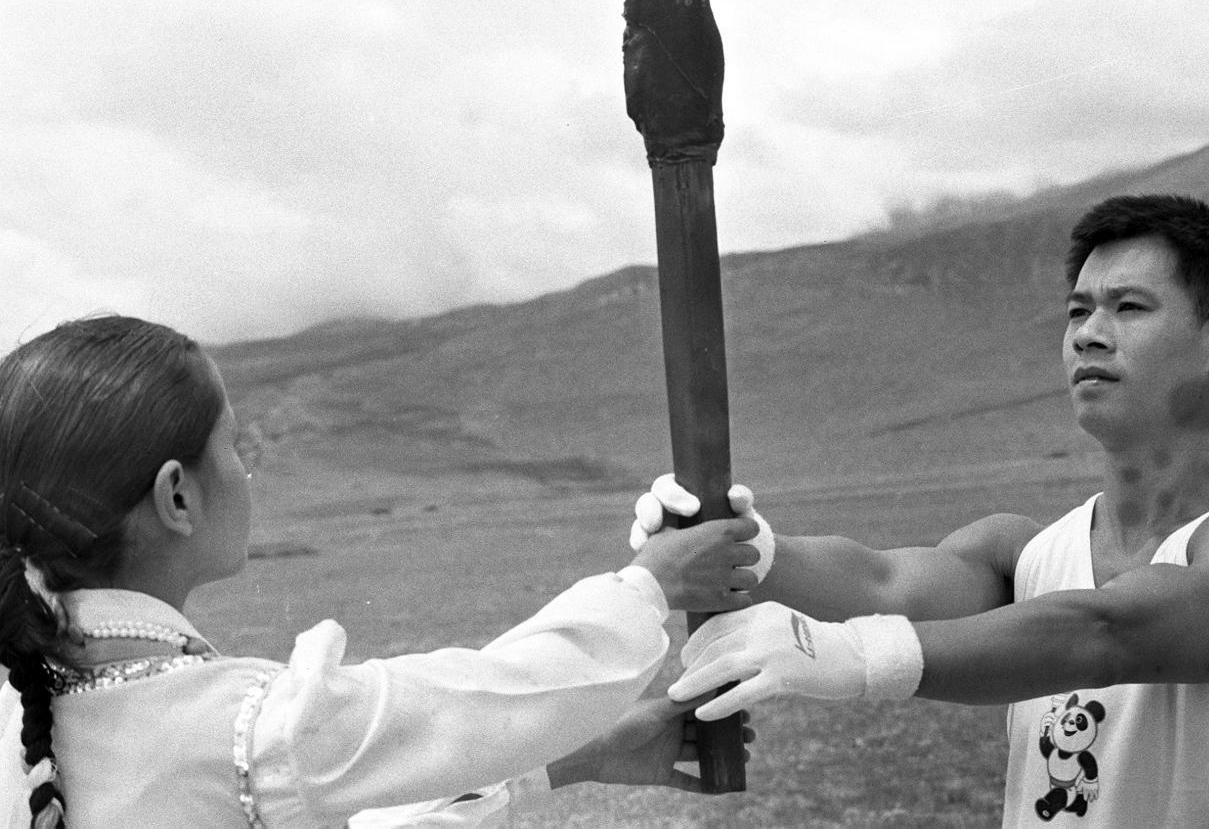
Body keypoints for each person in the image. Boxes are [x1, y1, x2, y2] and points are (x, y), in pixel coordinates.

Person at [635, 194, 1209, 826]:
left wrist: (855, 656)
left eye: (1128, 307)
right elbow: (883, 582)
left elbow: (1107, 633)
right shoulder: (1023, 555)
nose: (1088, 334)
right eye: (1078, 311)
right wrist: (743, 546)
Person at [0, 315, 760, 828]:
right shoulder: (241, 726)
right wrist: (653, 585)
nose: (246, 470)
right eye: (232, 445)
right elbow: (485, 698)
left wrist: (577, 757)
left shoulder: (27, 708)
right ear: (177, 496)